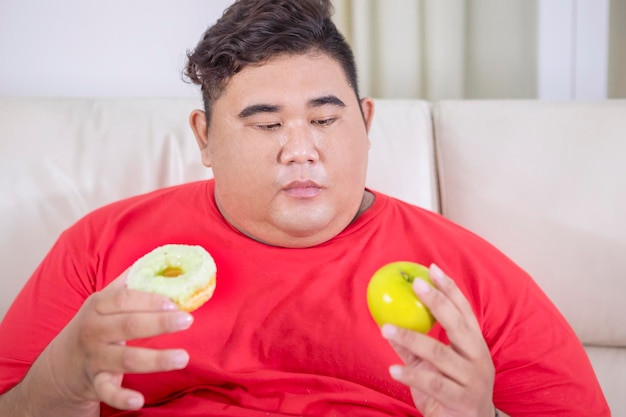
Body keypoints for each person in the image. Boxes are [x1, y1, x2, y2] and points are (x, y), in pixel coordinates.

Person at [0, 0, 610, 416]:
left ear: (366, 123)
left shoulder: (460, 278)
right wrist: (62, 378)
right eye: (265, 124)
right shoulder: (104, 246)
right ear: (205, 138)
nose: (300, 150)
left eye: (323, 119)